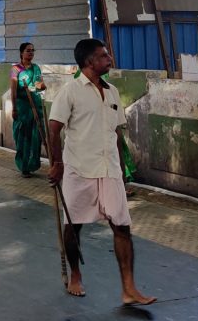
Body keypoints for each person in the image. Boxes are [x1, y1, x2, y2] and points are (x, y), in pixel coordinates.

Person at [48, 38, 156, 305]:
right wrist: (57, 164)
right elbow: (54, 128)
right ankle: (75, 275)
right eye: (104, 56)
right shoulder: (70, 91)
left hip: (110, 170)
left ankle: (129, 289)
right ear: (89, 61)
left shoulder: (113, 92)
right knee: (73, 226)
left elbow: (116, 133)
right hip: (78, 169)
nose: (109, 59)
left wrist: (123, 169)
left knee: (122, 227)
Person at [11, 42, 46, 178]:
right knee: (22, 137)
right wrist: (14, 109)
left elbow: (40, 85)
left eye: (32, 50)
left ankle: (32, 164)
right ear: (21, 53)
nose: (31, 53)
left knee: (36, 136)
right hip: (22, 108)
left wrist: (40, 86)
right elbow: (13, 91)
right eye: (28, 50)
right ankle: (24, 166)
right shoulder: (16, 69)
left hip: (35, 105)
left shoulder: (36, 68)